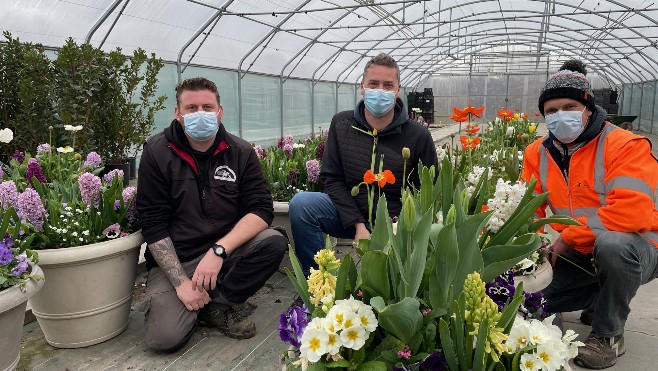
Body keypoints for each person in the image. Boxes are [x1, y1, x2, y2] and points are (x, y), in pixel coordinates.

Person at [522, 60, 658, 369]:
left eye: (569, 106)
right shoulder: (537, 153)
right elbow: (525, 208)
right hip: (581, 254)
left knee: (613, 246)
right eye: (551, 111)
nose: (560, 116)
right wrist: (524, 246)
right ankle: (599, 297)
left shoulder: (625, 145)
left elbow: (633, 213)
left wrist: (566, 237)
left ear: (587, 107)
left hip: (640, 248)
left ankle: (608, 335)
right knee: (527, 304)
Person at [136, 77, 287, 352]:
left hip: (226, 254)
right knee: (164, 338)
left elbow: (261, 208)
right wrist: (181, 282)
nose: (200, 114)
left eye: (207, 106)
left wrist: (218, 251)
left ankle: (218, 304)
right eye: (191, 108)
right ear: (177, 113)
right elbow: (152, 222)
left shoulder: (240, 152)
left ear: (220, 111)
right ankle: (195, 301)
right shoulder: (157, 152)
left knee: (273, 242)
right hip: (178, 259)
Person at [289, 53, 438, 276]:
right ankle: (319, 283)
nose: (380, 91)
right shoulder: (342, 124)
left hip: (395, 222)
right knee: (303, 204)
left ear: (398, 90)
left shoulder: (417, 135)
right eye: (373, 84)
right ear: (362, 87)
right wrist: (358, 224)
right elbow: (332, 178)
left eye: (388, 85)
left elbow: (427, 192)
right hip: (350, 213)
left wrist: (393, 226)